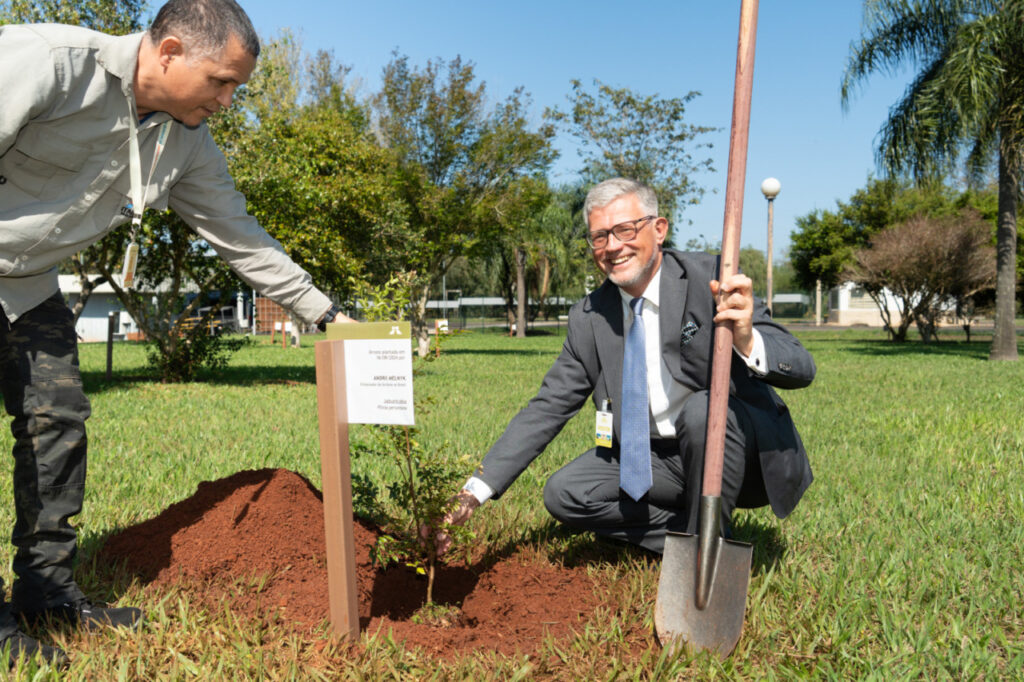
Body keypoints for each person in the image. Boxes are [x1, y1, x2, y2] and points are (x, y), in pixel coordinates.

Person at [0, 0, 350, 666]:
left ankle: (46, 593)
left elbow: (241, 238)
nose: (227, 100)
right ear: (168, 53)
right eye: (221, 82)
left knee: (58, 421)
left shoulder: (185, 140)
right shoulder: (49, 65)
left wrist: (328, 316)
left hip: (26, 285)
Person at [437, 177, 815, 560]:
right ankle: (691, 538)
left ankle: (707, 548)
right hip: (654, 460)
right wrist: (471, 494)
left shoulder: (712, 280)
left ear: (659, 228)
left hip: (733, 451)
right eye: (599, 236)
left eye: (625, 230)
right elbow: (547, 407)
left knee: (702, 411)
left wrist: (747, 339)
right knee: (564, 493)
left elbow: (801, 366)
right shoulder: (588, 317)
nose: (613, 246)